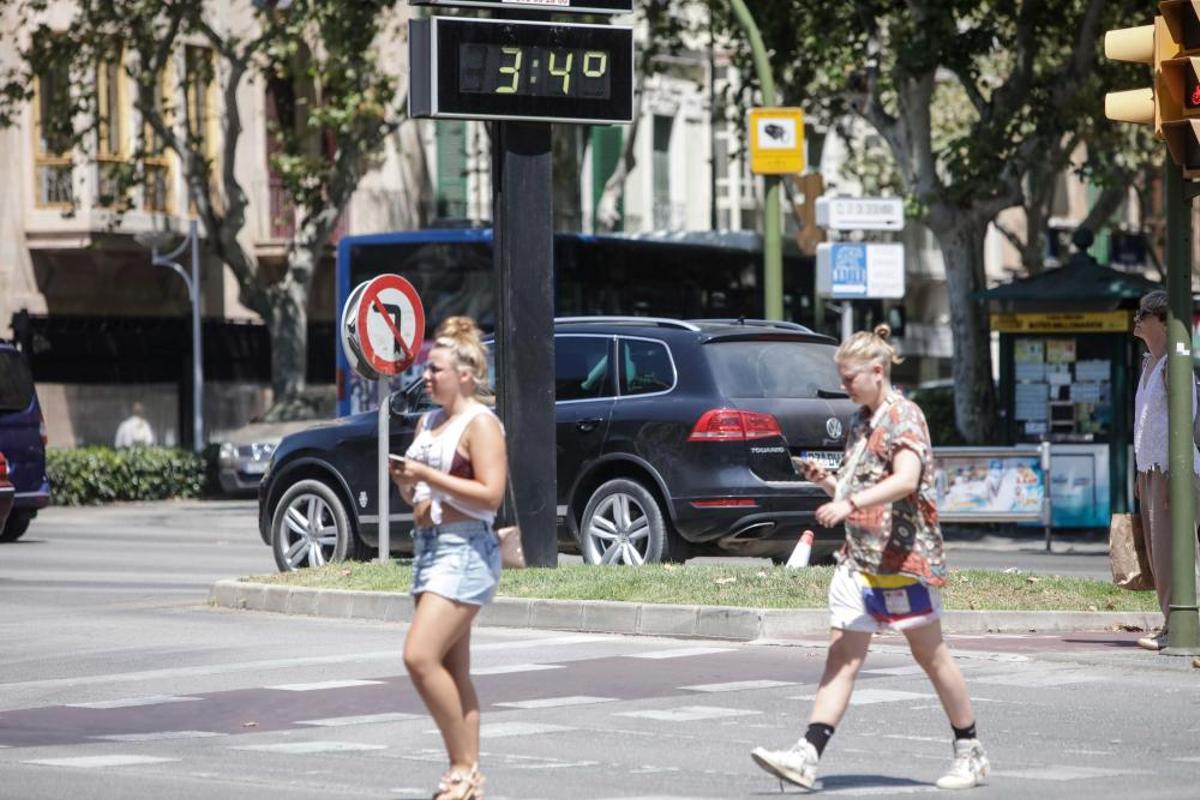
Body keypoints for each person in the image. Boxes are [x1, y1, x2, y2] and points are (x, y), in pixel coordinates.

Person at [751, 324, 989, 791]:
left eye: (849, 379)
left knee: (932, 657)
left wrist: (849, 503)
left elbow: (906, 478)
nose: (844, 387)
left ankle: (971, 751)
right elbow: (854, 488)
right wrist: (827, 483)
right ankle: (806, 756)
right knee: (841, 659)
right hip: (859, 561)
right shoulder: (862, 420)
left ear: (876, 372)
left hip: (902, 562)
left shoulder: (905, 416)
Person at [388, 316, 506, 800]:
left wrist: (426, 477)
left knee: (418, 656)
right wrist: (406, 484)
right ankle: (467, 779)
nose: (427, 377)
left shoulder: (481, 423)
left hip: (465, 551)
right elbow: (418, 493)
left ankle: (462, 767)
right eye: (426, 369)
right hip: (429, 548)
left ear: (466, 374)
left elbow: (491, 495)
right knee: (454, 672)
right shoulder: (429, 421)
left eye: (435, 369)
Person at [1131, 290, 1200, 651]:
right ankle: (1171, 623)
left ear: (1161, 320)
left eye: (1142, 314)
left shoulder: (1175, 363)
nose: (1136, 319)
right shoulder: (1149, 364)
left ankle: (1181, 627)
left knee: (1177, 550)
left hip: (1172, 469)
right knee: (1160, 553)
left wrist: (1176, 476)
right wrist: (1141, 475)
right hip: (1151, 469)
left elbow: (1183, 420)